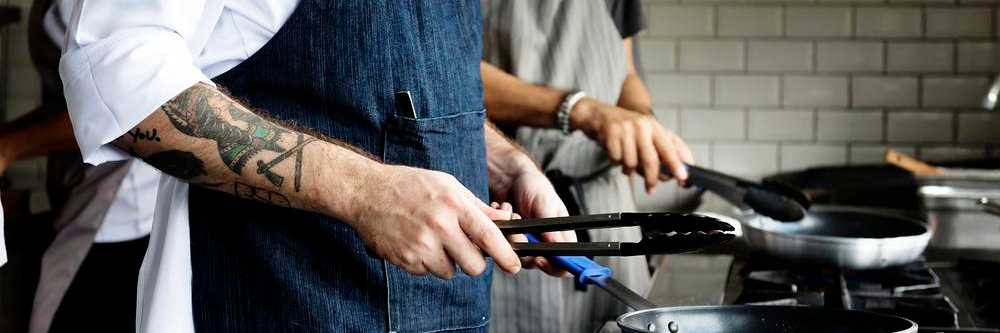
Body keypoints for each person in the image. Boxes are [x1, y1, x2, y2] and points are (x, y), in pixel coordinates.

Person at [59, 1, 572, 332]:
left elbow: (395, 83)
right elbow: (119, 77)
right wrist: (363, 191)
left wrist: (505, 163)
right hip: (266, 302)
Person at [480, 1, 696, 332]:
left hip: (605, 210)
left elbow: (625, 72)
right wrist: (579, 110)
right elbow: (446, 77)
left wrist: (640, 122)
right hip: (509, 215)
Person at [0, 1, 155, 332]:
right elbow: (72, 103)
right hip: (77, 188)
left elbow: (118, 110)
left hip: (119, 209)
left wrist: (10, 148)